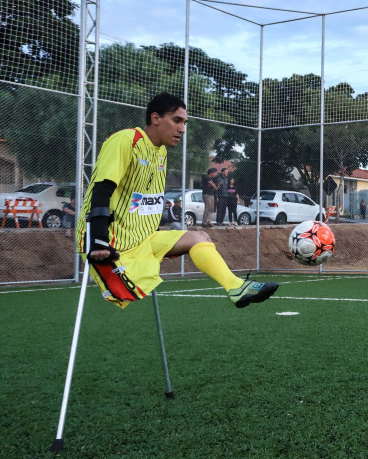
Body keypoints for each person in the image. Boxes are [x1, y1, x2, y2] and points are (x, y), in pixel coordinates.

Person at [76, 92, 278, 309]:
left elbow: (141, 199)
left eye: (184, 122)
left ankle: (236, 287)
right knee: (124, 290)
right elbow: (101, 189)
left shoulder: (161, 151)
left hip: (143, 239)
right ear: (155, 118)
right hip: (111, 243)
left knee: (199, 236)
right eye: (177, 121)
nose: (182, 128)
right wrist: (97, 239)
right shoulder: (125, 140)